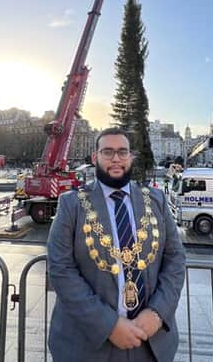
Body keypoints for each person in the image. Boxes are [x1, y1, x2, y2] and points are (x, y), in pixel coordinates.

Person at [47, 128, 186, 362]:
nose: (115, 159)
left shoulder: (156, 200)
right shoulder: (71, 204)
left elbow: (176, 259)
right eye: (107, 152)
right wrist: (108, 325)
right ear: (95, 158)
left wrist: (157, 313)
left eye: (122, 152)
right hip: (87, 346)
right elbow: (60, 269)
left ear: (131, 157)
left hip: (150, 343)